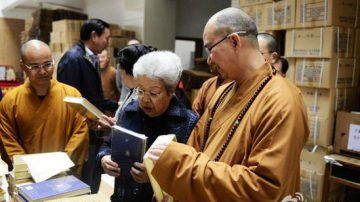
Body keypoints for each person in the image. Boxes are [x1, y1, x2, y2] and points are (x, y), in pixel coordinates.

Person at [147, 8, 309, 201]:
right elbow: (196, 146)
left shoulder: (282, 101)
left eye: (210, 48)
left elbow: (263, 189)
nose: (209, 60)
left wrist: (176, 164)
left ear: (234, 41)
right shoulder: (223, 91)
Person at [95, 51, 199, 202]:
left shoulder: (187, 123)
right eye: (140, 91)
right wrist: (103, 158)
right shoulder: (129, 111)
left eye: (153, 93)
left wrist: (154, 176)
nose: (144, 99)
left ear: (171, 92)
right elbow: (108, 144)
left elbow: (192, 176)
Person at [0, 40, 89, 176]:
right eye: (34, 66)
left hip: (64, 174)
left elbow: (80, 135)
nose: (42, 71)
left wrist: (60, 167)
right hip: (27, 176)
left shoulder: (72, 95)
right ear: (22, 66)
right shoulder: (10, 101)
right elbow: (8, 142)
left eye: (47, 64)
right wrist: (29, 171)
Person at [57, 18, 117, 193]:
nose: (107, 43)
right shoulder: (73, 59)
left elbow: (92, 97)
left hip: (92, 128)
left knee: (91, 176)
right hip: (80, 132)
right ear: (94, 36)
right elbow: (71, 101)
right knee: (79, 181)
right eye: (106, 37)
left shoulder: (89, 57)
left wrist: (114, 105)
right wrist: (89, 121)